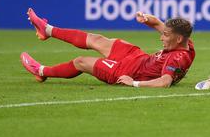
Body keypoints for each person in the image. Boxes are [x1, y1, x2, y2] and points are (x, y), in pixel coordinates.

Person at [20, 8, 195, 88]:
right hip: (137, 57)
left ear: (178, 38)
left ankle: (41, 71)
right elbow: (157, 23)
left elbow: (164, 82)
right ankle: (48, 30)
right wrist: (147, 18)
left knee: (81, 62)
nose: (161, 37)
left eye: (165, 35)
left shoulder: (176, 57)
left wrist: (133, 83)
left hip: (127, 71)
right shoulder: (185, 43)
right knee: (97, 39)